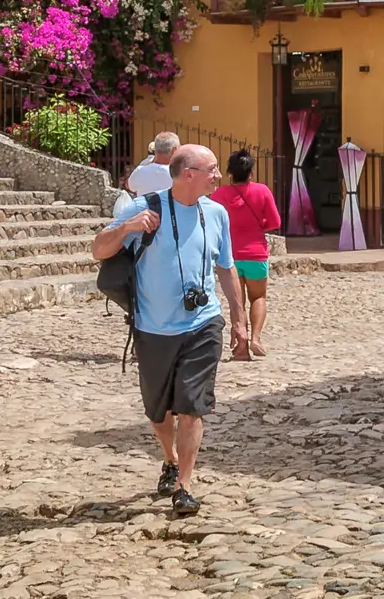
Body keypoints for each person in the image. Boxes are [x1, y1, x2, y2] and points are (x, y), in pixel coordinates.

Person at [89, 143, 248, 517]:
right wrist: (127, 227)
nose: (218, 176)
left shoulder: (217, 213)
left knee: (193, 407)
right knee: (159, 412)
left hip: (202, 323)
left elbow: (226, 268)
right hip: (153, 328)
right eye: (211, 169)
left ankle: (185, 487)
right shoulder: (145, 207)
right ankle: (170, 459)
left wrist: (239, 319)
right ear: (188, 173)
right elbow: (98, 249)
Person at [211, 149, 281, 360]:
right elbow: (275, 222)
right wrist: (258, 226)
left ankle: (241, 347)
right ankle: (256, 338)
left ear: (229, 172)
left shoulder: (219, 194)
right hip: (256, 254)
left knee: (236, 302)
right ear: (251, 171)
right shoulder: (262, 191)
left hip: (229, 256)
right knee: (258, 296)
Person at [119, 133, 180, 212]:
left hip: (145, 219)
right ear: (174, 150)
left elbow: (129, 186)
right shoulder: (179, 174)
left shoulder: (140, 170)